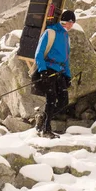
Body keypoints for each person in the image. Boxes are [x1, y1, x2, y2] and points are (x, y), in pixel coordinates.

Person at [34, 10, 76, 138]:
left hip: (60, 72)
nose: (72, 25)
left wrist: (68, 76)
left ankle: (42, 117)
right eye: (71, 22)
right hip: (48, 69)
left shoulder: (66, 37)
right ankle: (45, 130)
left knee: (63, 100)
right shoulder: (50, 32)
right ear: (67, 22)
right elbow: (39, 53)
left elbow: (66, 59)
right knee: (51, 98)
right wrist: (43, 71)